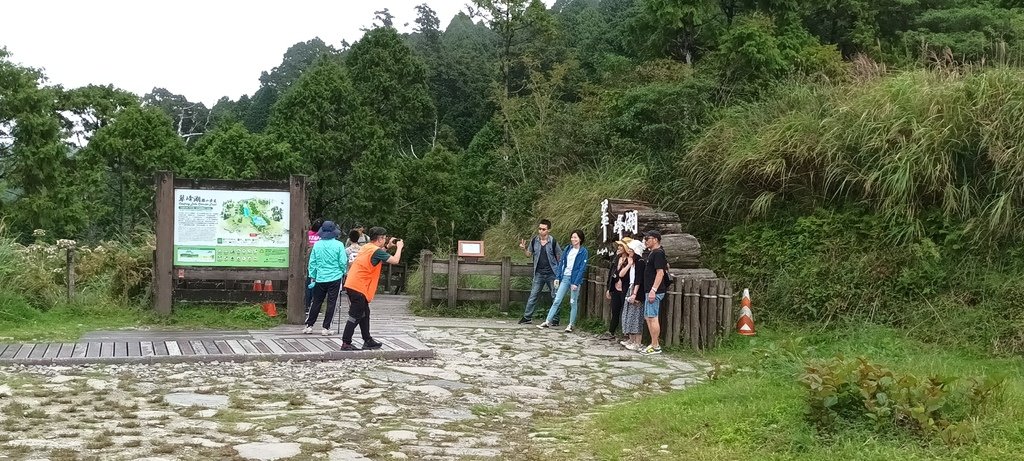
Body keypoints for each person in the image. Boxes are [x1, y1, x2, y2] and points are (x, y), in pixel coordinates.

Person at [340, 226, 403, 350]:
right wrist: (399, 247)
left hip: (353, 283)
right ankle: (346, 343)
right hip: (359, 286)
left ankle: (367, 339)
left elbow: (377, 254)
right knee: (355, 315)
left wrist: (388, 247)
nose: (385, 240)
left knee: (364, 313)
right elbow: (395, 260)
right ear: (380, 239)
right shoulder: (375, 250)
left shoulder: (366, 247)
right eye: (384, 238)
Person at [538, 230, 589, 332]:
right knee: (557, 299)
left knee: (573, 302)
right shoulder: (568, 249)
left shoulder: (583, 252)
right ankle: (547, 321)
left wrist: (576, 282)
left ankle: (571, 324)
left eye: (575, 237)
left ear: (580, 239)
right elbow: (562, 263)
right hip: (565, 277)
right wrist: (558, 277)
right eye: (572, 237)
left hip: (574, 279)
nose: (573, 239)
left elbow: (582, 268)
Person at [304, 221, 348, 336]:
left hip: (320, 277)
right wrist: (343, 272)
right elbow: (343, 262)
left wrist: (312, 276)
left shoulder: (317, 245)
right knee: (332, 302)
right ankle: (326, 327)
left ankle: (309, 325)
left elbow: (312, 262)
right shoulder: (339, 245)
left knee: (316, 301)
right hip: (335, 277)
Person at [517, 219, 561, 325]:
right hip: (539, 273)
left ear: (548, 230)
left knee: (555, 296)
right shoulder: (534, 241)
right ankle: (527, 317)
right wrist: (523, 249)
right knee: (533, 295)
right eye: (540, 229)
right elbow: (529, 254)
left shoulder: (553, 242)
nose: (541, 231)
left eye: (543, 229)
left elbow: (559, 257)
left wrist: (559, 273)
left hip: (552, 273)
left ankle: (555, 319)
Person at [639, 230, 669, 355]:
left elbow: (660, 272)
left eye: (648, 238)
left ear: (655, 239)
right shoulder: (652, 253)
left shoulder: (658, 253)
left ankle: (655, 345)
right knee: (648, 317)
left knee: (653, 317)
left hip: (654, 291)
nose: (646, 241)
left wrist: (653, 290)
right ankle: (653, 343)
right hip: (649, 289)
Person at [600, 238, 631, 341]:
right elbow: (611, 273)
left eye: (621, 246)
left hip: (626, 288)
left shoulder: (631, 260)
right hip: (616, 288)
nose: (619, 248)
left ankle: (626, 334)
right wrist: (609, 288)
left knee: (626, 311)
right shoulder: (616, 258)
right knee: (615, 310)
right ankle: (611, 331)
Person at [620, 239, 645, 351]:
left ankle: (637, 342)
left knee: (636, 316)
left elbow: (638, 279)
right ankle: (631, 339)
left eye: (631, 250)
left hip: (636, 290)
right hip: (631, 288)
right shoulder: (633, 263)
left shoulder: (640, 262)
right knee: (628, 314)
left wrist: (635, 293)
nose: (629, 251)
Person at [304, 219, 324, 314]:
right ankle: (316, 307)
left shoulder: (307, 234)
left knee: (308, 283)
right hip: (320, 262)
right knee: (318, 284)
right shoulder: (322, 236)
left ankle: (307, 306)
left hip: (308, 261)